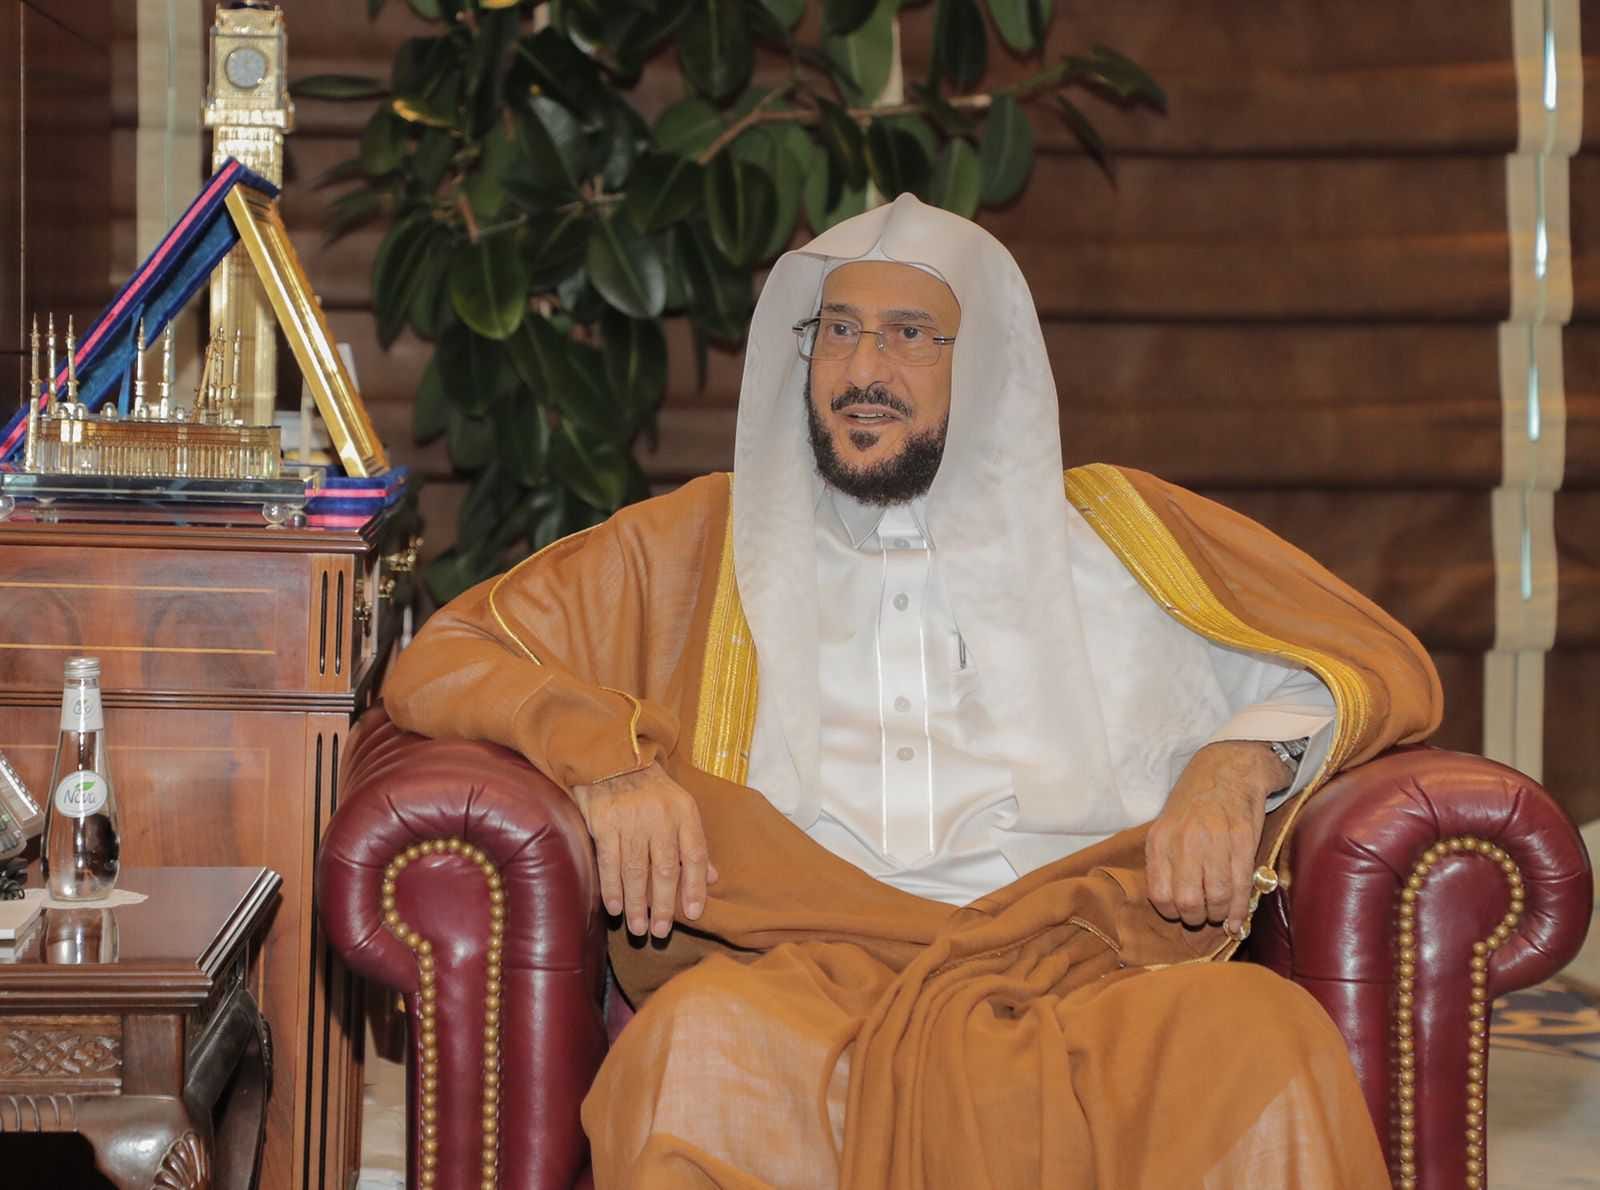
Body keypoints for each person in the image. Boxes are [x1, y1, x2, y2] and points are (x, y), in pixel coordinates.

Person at [383, 194, 1440, 1187]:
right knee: (692, 1054)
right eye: (838, 331)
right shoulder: (698, 541)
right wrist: (605, 761)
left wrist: (1236, 762)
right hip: (795, 972)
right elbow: (448, 653)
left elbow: (1357, 663)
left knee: (1267, 1039)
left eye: (908, 335)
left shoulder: (1121, 536)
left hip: (1086, 965)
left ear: (982, 365)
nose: (862, 369)